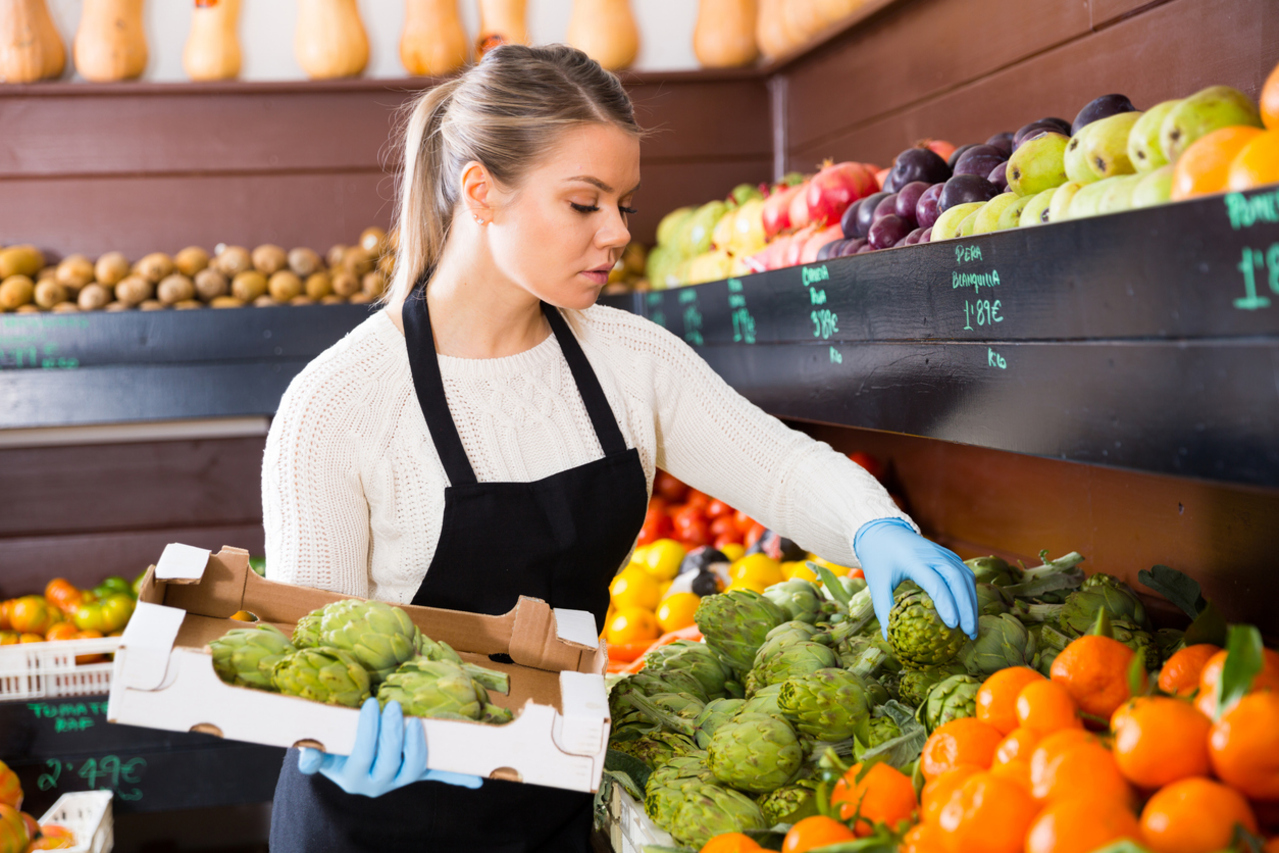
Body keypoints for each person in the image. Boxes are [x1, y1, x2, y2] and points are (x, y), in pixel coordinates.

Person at [261, 43, 977, 853]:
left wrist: (874, 528)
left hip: (553, 801)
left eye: (625, 206)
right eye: (583, 203)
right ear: (481, 192)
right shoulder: (338, 403)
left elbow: (774, 464)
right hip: (373, 823)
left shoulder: (626, 359)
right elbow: (303, 657)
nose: (614, 234)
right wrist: (329, 743)